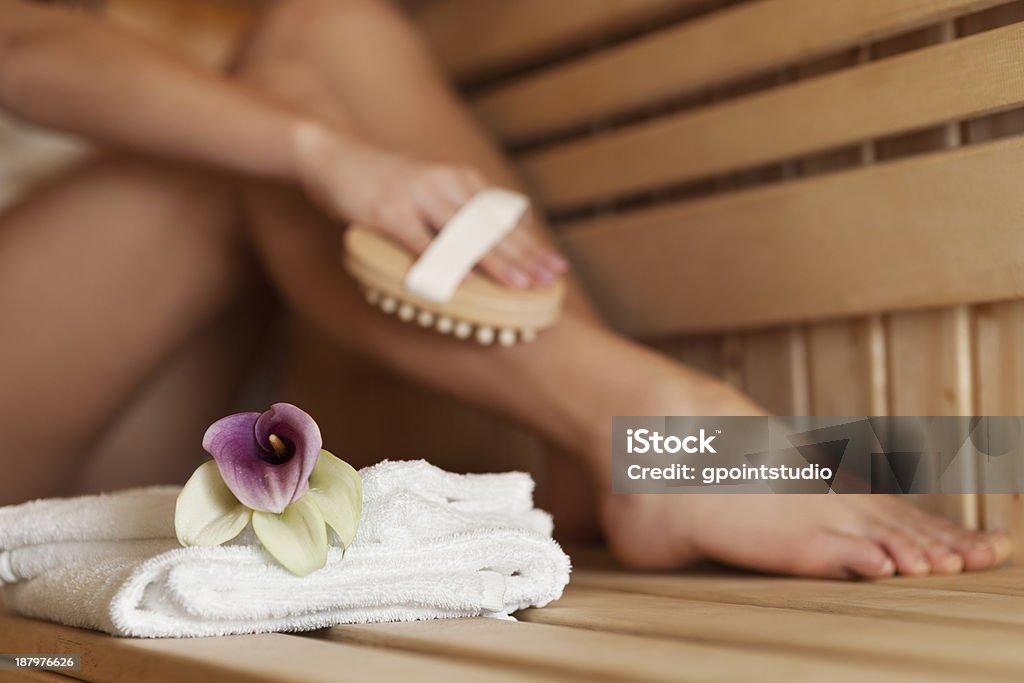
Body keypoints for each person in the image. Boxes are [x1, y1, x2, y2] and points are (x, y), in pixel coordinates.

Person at [0, 0, 1010, 579]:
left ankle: (611, 440)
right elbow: (21, 44)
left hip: (108, 407)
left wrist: (329, 146)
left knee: (324, 25)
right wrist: (322, 151)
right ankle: (654, 429)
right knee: (237, 143)